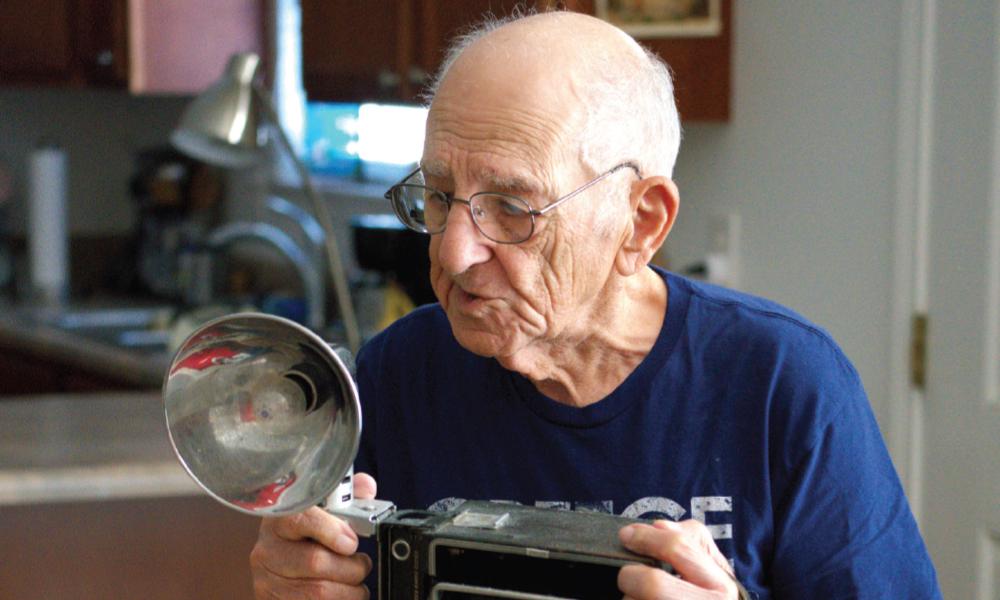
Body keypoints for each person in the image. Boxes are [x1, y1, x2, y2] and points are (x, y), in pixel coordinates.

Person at [249, 10, 941, 599]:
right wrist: (294, 579)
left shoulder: (783, 384)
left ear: (640, 223)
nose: (454, 253)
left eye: (513, 207)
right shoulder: (400, 372)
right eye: (438, 195)